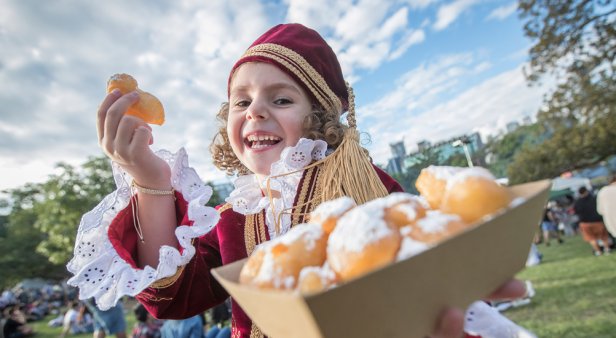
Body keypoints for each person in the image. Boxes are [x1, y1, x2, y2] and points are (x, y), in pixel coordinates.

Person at [67, 23, 528, 338]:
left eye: (281, 99)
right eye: (241, 102)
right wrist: (150, 182)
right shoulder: (234, 218)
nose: (255, 112)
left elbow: (426, 276)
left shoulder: (368, 185)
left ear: (320, 116)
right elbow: (175, 297)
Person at [573, 187, 611, 256]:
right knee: (603, 237)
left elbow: (576, 212)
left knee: (591, 239)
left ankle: (598, 252)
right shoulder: (594, 199)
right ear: (586, 191)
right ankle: (607, 250)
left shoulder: (577, 202)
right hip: (597, 221)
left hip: (585, 223)